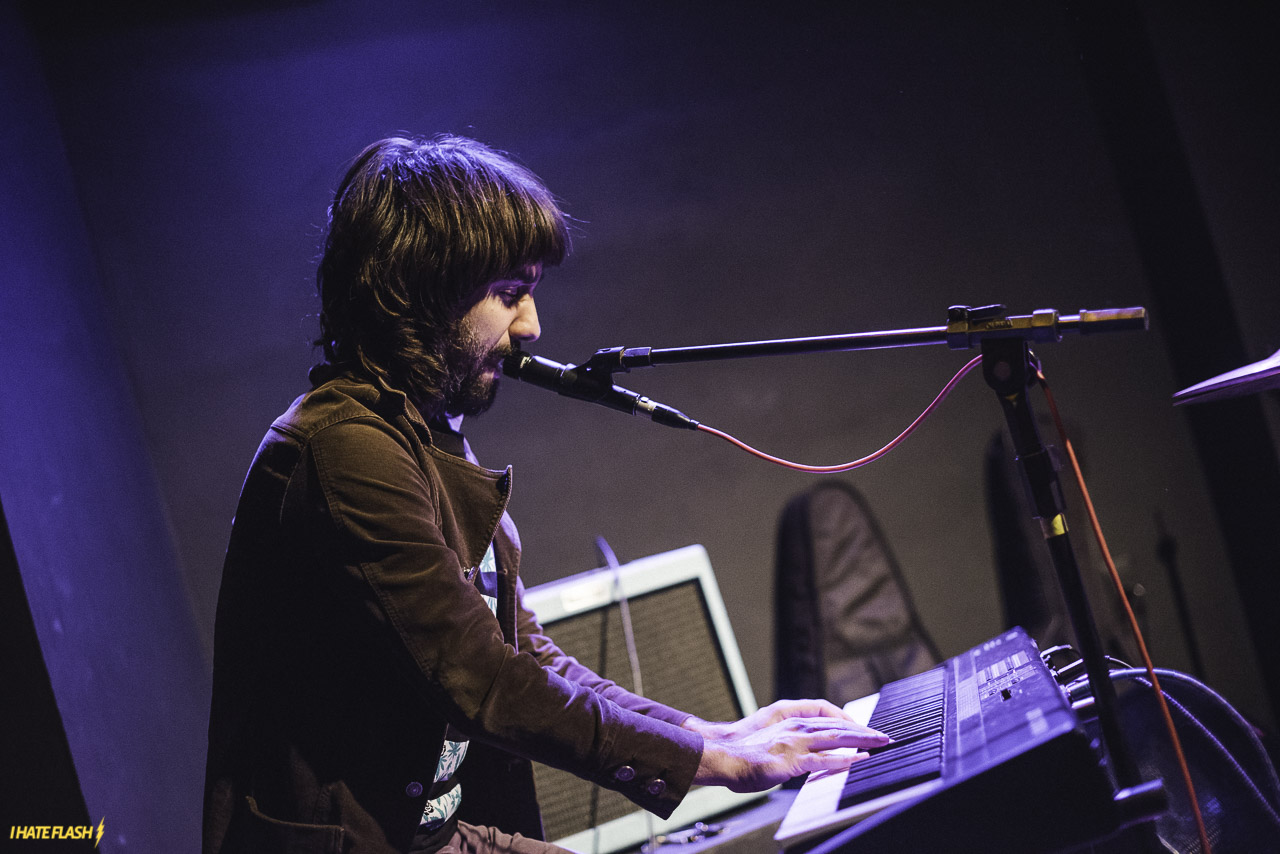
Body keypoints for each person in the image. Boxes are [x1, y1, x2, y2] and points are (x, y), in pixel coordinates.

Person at [202, 134, 889, 854]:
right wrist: (711, 763)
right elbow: (478, 673)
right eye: (509, 294)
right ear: (422, 290)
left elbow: (523, 650)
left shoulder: (422, 434)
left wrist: (707, 733)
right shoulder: (344, 449)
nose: (531, 326)